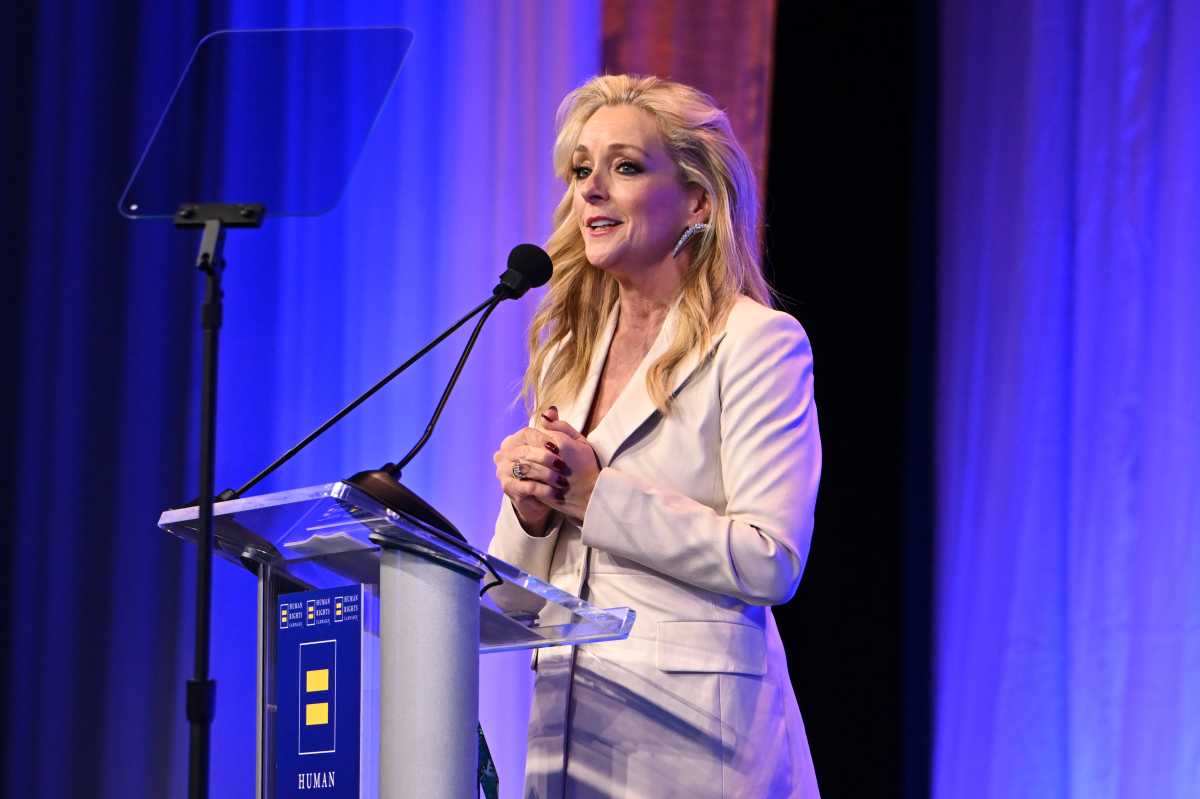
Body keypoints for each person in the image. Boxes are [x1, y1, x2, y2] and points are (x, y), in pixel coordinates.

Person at [488, 74, 822, 798]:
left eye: (626, 167)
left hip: (699, 749)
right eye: (582, 170)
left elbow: (771, 559)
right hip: (570, 740)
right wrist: (530, 511)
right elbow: (514, 597)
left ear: (698, 200)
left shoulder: (758, 343)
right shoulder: (566, 353)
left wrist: (595, 493)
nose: (592, 191)